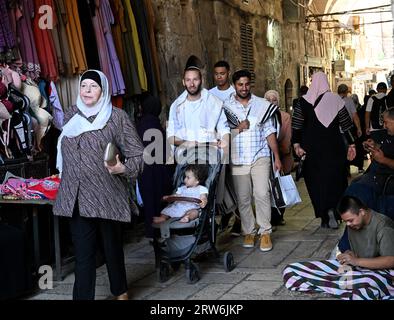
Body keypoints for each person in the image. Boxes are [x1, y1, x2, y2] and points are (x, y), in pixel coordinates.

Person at [54, 70, 144, 300]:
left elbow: (137, 154)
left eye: (93, 86)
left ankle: (120, 290)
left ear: (103, 91)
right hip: (76, 196)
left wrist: (123, 169)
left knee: (112, 248)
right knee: (83, 255)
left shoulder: (117, 117)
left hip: (107, 194)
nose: (87, 91)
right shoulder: (71, 114)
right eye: (84, 86)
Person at [283, 195, 394, 300]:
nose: (348, 224)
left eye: (350, 220)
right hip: (357, 269)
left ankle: (335, 286)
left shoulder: (383, 227)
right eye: (345, 221)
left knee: (366, 287)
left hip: (381, 274)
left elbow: (391, 261)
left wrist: (357, 261)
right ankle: (338, 286)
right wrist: (348, 255)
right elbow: (356, 251)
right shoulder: (353, 224)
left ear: (362, 212)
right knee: (291, 270)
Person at [224, 69, 282, 252]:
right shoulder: (226, 107)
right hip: (238, 158)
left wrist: (277, 157)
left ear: (251, 84)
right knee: (243, 197)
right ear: (234, 85)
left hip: (260, 155)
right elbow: (222, 134)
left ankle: (265, 232)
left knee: (262, 193)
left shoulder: (262, 105)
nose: (244, 87)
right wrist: (239, 129)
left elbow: (269, 132)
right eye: (240, 84)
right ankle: (248, 231)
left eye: (247, 84)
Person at [292, 71, 356, 229]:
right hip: (334, 148)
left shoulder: (302, 102)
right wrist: (352, 144)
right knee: (336, 179)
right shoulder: (335, 99)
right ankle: (334, 209)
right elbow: (347, 125)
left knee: (316, 182)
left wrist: (296, 144)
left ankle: (324, 214)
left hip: (312, 150)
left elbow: (297, 126)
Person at [167, 60, 230, 157]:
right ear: (183, 82)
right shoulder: (176, 106)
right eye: (188, 80)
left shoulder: (214, 102)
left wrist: (224, 143)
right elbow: (170, 136)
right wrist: (186, 143)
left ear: (201, 80)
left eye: (195, 79)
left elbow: (224, 129)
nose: (192, 84)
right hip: (185, 152)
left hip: (210, 151)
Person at [135, 93, 174, 239]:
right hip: (160, 169)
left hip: (145, 170)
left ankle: (152, 231)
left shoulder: (141, 124)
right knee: (160, 200)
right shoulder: (156, 124)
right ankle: (161, 230)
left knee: (149, 201)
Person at [209, 60, 240, 236]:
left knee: (236, 183)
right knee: (221, 183)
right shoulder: (209, 94)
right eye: (216, 73)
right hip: (217, 146)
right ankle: (227, 213)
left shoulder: (234, 93)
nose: (219, 76)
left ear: (228, 73)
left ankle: (238, 220)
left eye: (222, 73)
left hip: (235, 143)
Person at [264, 89, 293, 227]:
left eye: (274, 100)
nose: (271, 102)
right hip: (265, 158)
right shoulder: (262, 116)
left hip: (281, 157)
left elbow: (286, 140)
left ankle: (279, 215)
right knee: (267, 189)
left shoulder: (285, 116)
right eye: (268, 100)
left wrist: (277, 153)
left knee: (281, 186)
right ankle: (269, 216)